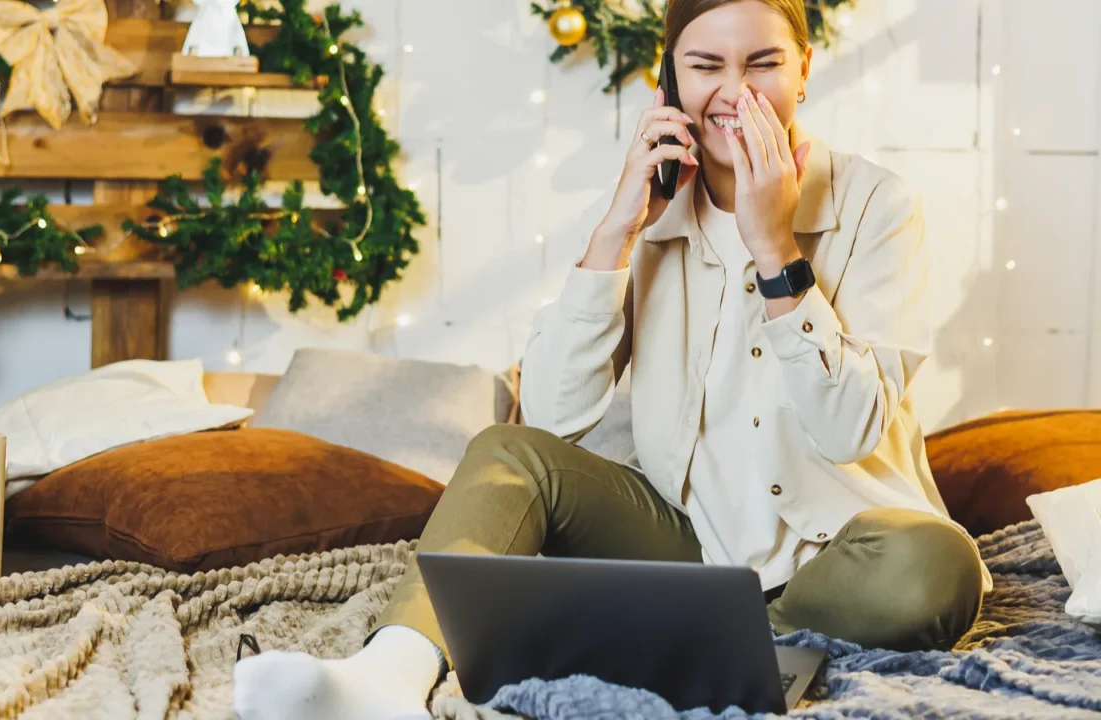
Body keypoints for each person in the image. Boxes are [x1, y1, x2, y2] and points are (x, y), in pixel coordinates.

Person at [232, 1, 991, 718]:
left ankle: (685, 638)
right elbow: (557, 415)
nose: (734, 93)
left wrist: (775, 248)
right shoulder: (653, 218)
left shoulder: (877, 205)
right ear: (669, 78)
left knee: (939, 566)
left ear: (804, 68)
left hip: (844, 554)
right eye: (705, 67)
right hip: (691, 548)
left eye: (762, 63)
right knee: (508, 452)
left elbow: (850, 427)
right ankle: (385, 676)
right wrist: (618, 231)